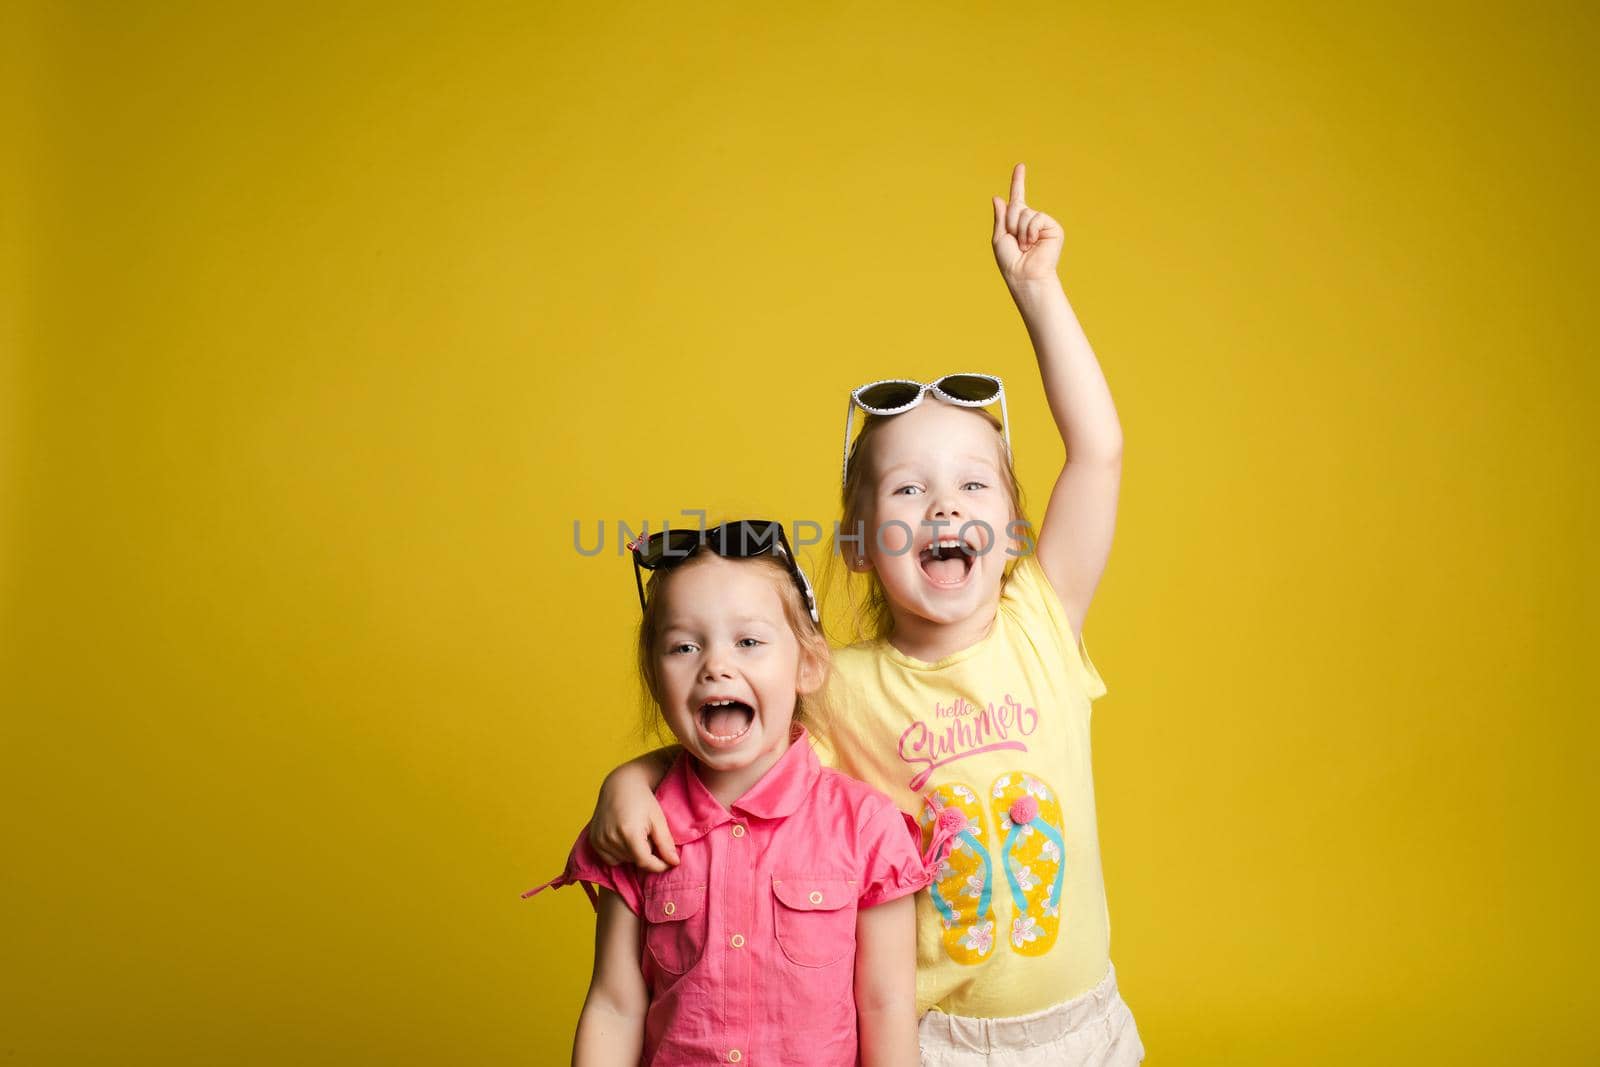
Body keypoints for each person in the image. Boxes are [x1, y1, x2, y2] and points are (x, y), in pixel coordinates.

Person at [588, 164, 1145, 1064]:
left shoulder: (1043, 621)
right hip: (930, 1039)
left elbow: (1101, 451)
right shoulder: (839, 684)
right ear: (855, 545)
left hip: (1083, 1026)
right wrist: (625, 785)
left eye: (971, 485)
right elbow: (724, 732)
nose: (942, 509)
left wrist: (1038, 291)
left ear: (1012, 529)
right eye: (909, 490)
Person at [525, 521, 934, 1065]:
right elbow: (616, 1006)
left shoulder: (865, 828)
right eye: (684, 646)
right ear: (654, 678)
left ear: (807, 664)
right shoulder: (638, 829)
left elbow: (885, 1007)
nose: (716, 666)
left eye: (748, 641)